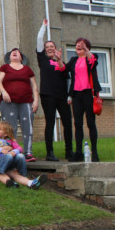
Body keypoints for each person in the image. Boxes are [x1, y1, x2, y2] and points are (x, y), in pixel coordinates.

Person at [36, 19, 73, 161]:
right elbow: (39, 39)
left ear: (56, 48)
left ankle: (69, 151)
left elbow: (67, 77)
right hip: (48, 96)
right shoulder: (42, 60)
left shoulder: (61, 62)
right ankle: (49, 152)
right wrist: (44, 26)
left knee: (67, 123)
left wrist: (59, 60)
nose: (49, 48)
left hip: (62, 96)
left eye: (52, 46)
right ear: (44, 50)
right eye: (47, 47)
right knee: (50, 122)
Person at [0, 48, 39, 162]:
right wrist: (4, 92)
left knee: (27, 127)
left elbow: (34, 86)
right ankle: (10, 150)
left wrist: (36, 101)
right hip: (8, 102)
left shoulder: (27, 69)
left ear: (21, 57)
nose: (14, 53)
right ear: (9, 57)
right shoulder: (4, 68)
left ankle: (28, 152)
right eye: (12, 53)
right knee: (10, 128)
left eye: (17, 52)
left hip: (26, 101)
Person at [0, 118, 47, 189]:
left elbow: (20, 148)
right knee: (8, 159)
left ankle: (25, 178)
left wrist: (13, 152)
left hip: (8, 161)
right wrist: (0, 149)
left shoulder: (10, 140)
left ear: (5, 134)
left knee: (20, 156)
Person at [65, 37, 101, 162]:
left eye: (82, 44)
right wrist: (58, 60)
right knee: (78, 124)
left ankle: (95, 152)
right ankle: (79, 152)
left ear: (87, 47)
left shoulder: (91, 57)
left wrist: (86, 51)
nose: (78, 46)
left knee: (91, 123)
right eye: (77, 44)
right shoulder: (73, 60)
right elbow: (64, 69)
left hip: (88, 94)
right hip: (76, 95)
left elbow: (93, 61)